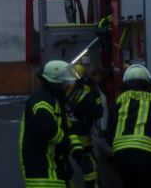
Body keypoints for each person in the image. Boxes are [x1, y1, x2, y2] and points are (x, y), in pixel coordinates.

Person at [19, 59, 79, 187]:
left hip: (54, 165)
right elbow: (47, 128)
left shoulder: (55, 99)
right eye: (65, 82)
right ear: (54, 82)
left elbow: (66, 128)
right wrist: (66, 142)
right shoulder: (41, 99)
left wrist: (78, 150)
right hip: (43, 171)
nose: (68, 86)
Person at [67, 63, 105, 188]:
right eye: (100, 78)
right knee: (89, 166)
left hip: (65, 132)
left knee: (64, 166)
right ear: (97, 75)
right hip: (81, 134)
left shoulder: (72, 87)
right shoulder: (91, 88)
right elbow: (98, 112)